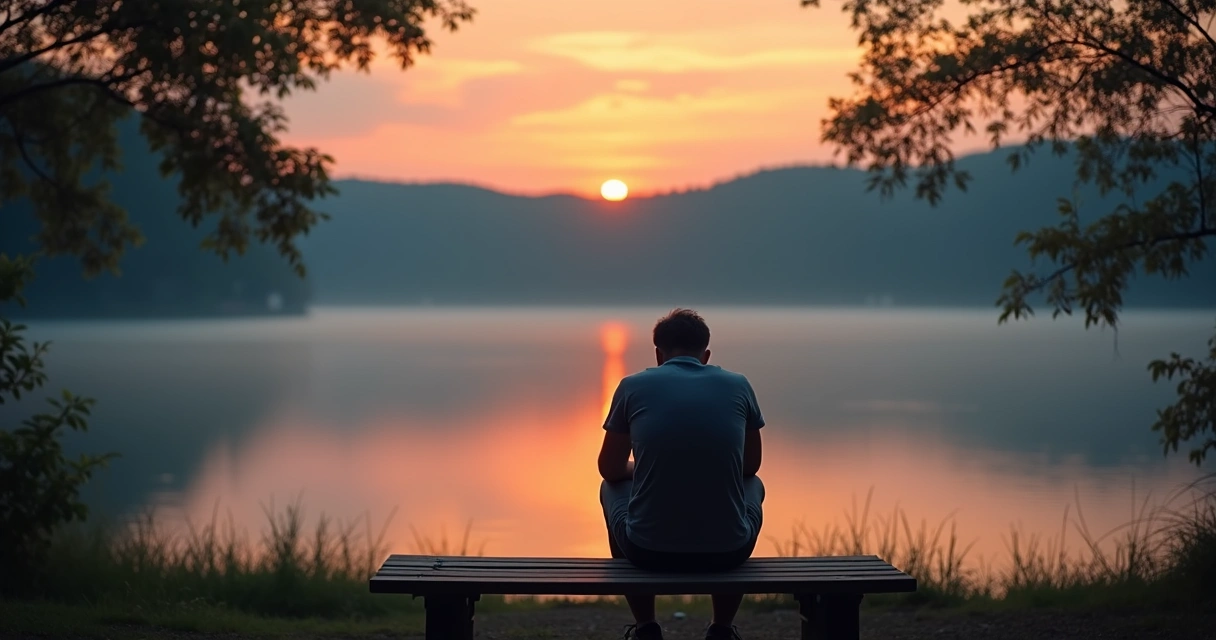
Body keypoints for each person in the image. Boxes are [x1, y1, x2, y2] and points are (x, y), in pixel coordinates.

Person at [598, 308, 766, 640]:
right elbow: (750, 467)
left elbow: (611, 469)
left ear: (658, 354)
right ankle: (722, 629)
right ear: (706, 355)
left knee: (610, 487)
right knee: (753, 485)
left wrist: (639, 469)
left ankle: (646, 626)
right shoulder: (738, 385)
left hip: (646, 551)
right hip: (728, 551)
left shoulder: (632, 386)